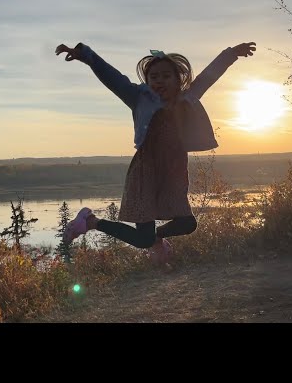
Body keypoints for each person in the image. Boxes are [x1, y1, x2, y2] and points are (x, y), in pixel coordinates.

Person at [55, 41, 256, 264]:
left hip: (174, 172)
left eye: (166, 76)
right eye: (154, 77)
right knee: (142, 239)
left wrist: (231, 54)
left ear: (178, 80)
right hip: (145, 172)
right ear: (147, 81)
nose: (159, 81)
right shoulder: (138, 98)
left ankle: (157, 240)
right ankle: (91, 221)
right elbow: (112, 77)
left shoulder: (187, 98)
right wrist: (85, 55)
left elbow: (208, 77)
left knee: (187, 224)